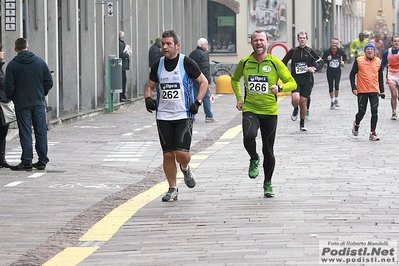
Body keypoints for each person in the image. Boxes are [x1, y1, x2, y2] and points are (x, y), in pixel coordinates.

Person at [144, 30, 208, 202]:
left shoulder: (186, 62)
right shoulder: (158, 65)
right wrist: (148, 98)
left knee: (182, 153)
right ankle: (172, 188)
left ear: (177, 46)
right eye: (163, 44)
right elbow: (149, 86)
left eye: (169, 44)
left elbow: (204, 82)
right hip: (163, 115)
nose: (165, 47)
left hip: (183, 114)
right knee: (168, 154)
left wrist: (198, 101)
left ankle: (185, 168)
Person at [231, 30, 297, 198]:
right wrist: (239, 98)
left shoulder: (275, 63)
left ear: (267, 42)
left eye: (261, 40)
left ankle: (268, 183)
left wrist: (280, 88)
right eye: (255, 40)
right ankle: (253, 158)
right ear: (251, 43)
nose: (258, 43)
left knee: (268, 150)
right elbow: (234, 78)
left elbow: (292, 83)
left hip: (269, 112)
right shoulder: (245, 62)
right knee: (248, 137)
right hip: (250, 109)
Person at [4, 37, 53, 170]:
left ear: (15, 49)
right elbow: (49, 82)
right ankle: (42, 161)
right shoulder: (40, 62)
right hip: (38, 103)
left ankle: (26, 161)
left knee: (25, 132)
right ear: (28, 47)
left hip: (22, 104)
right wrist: (41, 94)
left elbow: (8, 87)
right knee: (41, 132)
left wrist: (14, 98)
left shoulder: (12, 65)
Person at [282, 30, 323, 131]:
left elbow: (320, 62)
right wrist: (286, 74)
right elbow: (283, 63)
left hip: (307, 80)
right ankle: (295, 109)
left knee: (303, 102)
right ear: (298, 39)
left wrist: (314, 68)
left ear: (306, 39)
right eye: (300, 38)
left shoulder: (310, 51)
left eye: (304, 38)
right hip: (295, 80)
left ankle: (302, 122)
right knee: (295, 99)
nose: (302, 40)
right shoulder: (293, 51)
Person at [350, 42, 385, 141]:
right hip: (362, 91)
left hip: (374, 90)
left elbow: (380, 76)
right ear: (365, 51)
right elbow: (352, 74)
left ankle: (372, 132)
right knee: (362, 112)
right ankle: (356, 124)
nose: (370, 51)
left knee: (374, 111)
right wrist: (354, 88)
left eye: (372, 49)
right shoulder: (359, 60)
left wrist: (382, 90)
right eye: (368, 49)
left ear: (374, 51)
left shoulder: (378, 61)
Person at [189, 38, 216, 123]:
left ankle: (192, 115)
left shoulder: (192, 54)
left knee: (193, 96)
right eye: (206, 44)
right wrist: (207, 80)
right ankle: (209, 116)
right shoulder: (204, 54)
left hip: (193, 78)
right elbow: (205, 69)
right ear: (202, 45)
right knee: (205, 97)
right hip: (201, 79)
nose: (207, 45)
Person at [322, 38, 347, 109]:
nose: (334, 45)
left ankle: (336, 99)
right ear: (331, 43)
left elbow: (345, 56)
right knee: (330, 86)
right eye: (333, 43)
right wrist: (327, 59)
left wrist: (343, 61)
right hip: (330, 71)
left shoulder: (340, 51)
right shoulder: (327, 52)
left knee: (336, 85)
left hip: (337, 71)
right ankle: (332, 101)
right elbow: (322, 60)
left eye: (336, 43)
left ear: (338, 44)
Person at [381, 35, 399, 120]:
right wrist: (379, 72)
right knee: (393, 94)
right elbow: (383, 64)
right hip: (391, 74)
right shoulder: (387, 52)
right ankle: (394, 112)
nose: (396, 43)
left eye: (398, 41)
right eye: (395, 41)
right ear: (391, 42)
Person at [0, 43, 12, 168]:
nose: (3, 53)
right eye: (1, 51)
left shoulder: (1, 68)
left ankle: (1, 159)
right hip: (1, 105)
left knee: (3, 132)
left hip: (3, 105)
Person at [119, 30, 131, 102]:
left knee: (124, 80)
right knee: (123, 80)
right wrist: (127, 55)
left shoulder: (121, 44)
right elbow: (121, 54)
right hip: (122, 65)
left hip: (122, 65)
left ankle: (123, 95)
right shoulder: (120, 44)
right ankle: (122, 96)